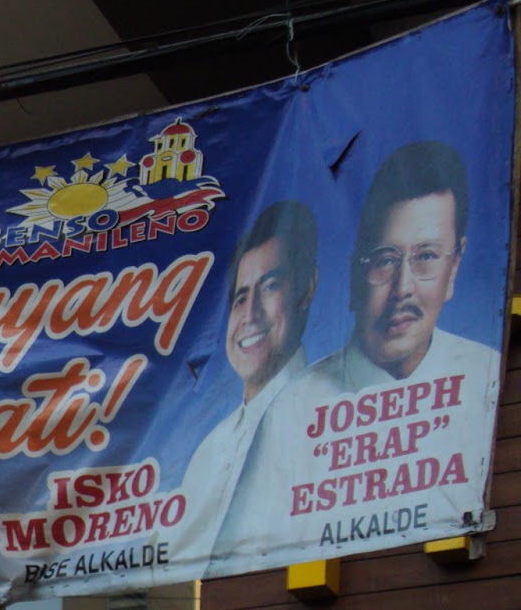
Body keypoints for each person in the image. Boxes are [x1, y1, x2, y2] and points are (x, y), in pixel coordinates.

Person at [307, 140, 500, 526]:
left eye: (426, 256)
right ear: (357, 271)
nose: (402, 289)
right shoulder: (293, 411)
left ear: (454, 266)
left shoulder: (487, 377)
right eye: (385, 260)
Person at [174, 201, 333, 570]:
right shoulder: (210, 451)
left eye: (270, 286)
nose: (250, 315)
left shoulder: (334, 410)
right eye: (240, 297)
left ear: (307, 289)